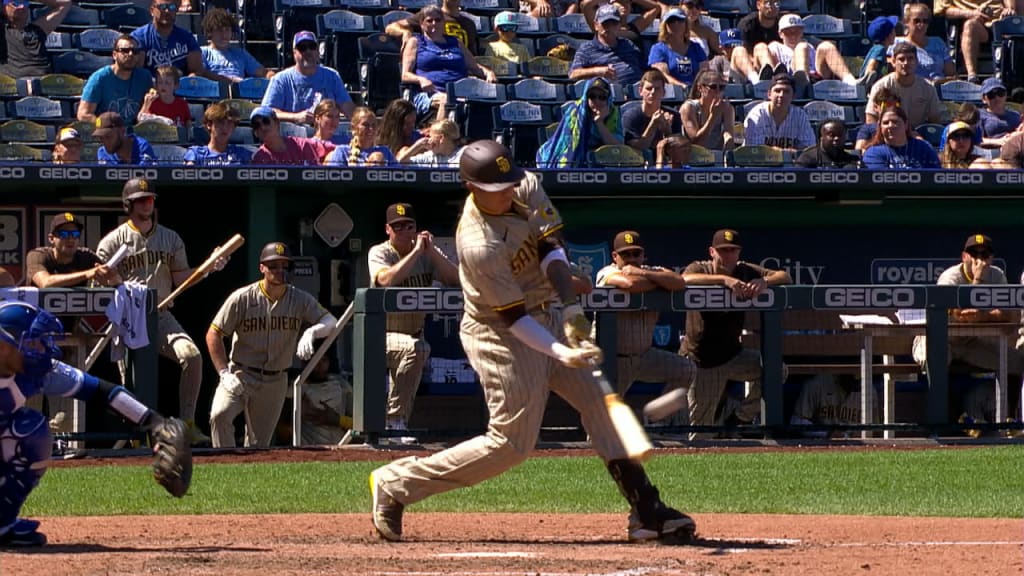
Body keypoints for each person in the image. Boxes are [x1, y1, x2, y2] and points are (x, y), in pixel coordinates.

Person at [369, 140, 696, 544]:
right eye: (497, 188)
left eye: (509, 182)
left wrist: (572, 311)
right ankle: (396, 482)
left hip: (548, 313)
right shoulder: (478, 245)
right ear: (472, 188)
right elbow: (514, 318)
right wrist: (561, 351)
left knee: (600, 402)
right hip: (499, 333)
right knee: (510, 445)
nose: (508, 191)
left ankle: (647, 511)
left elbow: (549, 249)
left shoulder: (522, 183)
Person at [0, 301, 190, 547]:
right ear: (4, 346)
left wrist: (154, 423)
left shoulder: (36, 370)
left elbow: (100, 391)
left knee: (33, 432)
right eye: (32, 342)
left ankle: (3, 524)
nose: (41, 348)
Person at [97, 178, 224, 445]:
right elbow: (100, 286)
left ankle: (187, 423)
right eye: (142, 199)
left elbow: (181, 279)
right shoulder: (112, 242)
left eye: (150, 199)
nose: (148, 203)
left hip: (161, 314)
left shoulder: (170, 238)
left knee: (192, 356)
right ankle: (136, 435)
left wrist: (209, 268)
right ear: (129, 204)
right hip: (128, 316)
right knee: (131, 383)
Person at [206, 242, 335, 448]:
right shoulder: (242, 298)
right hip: (241, 373)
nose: (280, 271)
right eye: (274, 266)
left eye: (285, 266)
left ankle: (246, 478)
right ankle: (224, 465)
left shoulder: (299, 299)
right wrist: (223, 373)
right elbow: (214, 333)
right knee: (220, 415)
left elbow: (331, 321)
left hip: (275, 380)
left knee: (258, 445)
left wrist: (312, 331)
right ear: (262, 268)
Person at [680, 229, 792, 440]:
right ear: (712, 252)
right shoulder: (701, 267)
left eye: (732, 250)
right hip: (702, 362)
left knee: (777, 370)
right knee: (701, 435)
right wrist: (724, 280)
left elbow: (785, 275)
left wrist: (765, 282)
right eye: (723, 250)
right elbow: (684, 279)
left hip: (733, 356)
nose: (728, 255)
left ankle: (738, 419)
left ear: (739, 251)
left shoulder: (744, 270)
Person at [25, 212, 122, 443]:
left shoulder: (86, 257)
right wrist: (88, 273)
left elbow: (116, 282)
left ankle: (65, 455)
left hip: (66, 343)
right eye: (64, 234)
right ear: (52, 238)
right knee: (29, 411)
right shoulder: (39, 256)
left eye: (75, 234)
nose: (71, 239)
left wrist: (109, 275)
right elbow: (45, 282)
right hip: (32, 344)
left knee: (65, 417)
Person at [367, 203, 459, 440]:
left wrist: (433, 252)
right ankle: (393, 421)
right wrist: (416, 252)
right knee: (417, 349)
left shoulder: (426, 254)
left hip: (413, 333)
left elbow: (455, 279)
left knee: (416, 348)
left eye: (409, 225)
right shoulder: (380, 252)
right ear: (388, 229)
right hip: (379, 333)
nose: (404, 231)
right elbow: (385, 280)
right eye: (398, 227)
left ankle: (396, 427)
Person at [911, 234, 1024, 424]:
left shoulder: (997, 275)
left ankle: (1009, 420)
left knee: (1015, 360)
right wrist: (978, 280)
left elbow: (1009, 314)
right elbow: (962, 314)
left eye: (984, 254)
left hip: (971, 342)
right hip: (940, 337)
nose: (979, 259)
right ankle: (943, 424)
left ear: (991, 258)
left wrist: (985, 316)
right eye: (974, 253)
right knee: (935, 359)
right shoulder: (951, 277)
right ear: (964, 256)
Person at [594, 230, 694, 419]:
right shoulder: (606, 271)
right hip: (614, 360)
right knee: (604, 419)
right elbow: (629, 284)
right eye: (625, 254)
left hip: (644, 356)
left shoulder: (649, 270)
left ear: (643, 254)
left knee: (686, 369)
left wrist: (643, 272)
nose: (631, 258)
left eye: (636, 253)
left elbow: (679, 282)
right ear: (615, 256)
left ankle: (655, 419)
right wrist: (658, 282)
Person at [401, 5, 496, 123]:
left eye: (438, 20)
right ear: (421, 23)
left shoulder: (455, 42)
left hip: (461, 92)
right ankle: (438, 135)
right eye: (429, 21)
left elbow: (474, 67)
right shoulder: (416, 42)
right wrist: (421, 80)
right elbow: (405, 75)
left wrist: (488, 73)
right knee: (446, 100)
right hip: (430, 94)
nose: (434, 23)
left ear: (443, 22)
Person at [262, 31, 354, 125]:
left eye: (312, 47)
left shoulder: (332, 76)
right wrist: (295, 117)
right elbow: (266, 112)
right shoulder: (281, 79)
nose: (308, 51)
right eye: (302, 48)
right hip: (292, 136)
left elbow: (348, 108)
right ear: (294, 53)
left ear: (318, 51)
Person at [131, 0, 228, 82]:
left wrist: (192, 77)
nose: (167, 11)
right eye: (162, 7)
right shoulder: (139, 37)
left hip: (181, 90)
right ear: (152, 10)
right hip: (152, 89)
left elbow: (197, 70)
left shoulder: (186, 37)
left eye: (172, 7)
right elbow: (138, 74)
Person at [865, 42, 950, 127]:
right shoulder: (881, 86)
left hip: (917, 135)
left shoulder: (928, 88)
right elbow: (871, 118)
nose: (906, 63)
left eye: (910, 59)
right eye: (901, 59)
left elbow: (935, 120)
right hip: (889, 132)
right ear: (893, 62)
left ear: (916, 61)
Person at [766, 14, 859, 87]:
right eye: (788, 32)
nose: (793, 35)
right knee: (801, 47)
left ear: (802, 31)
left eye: (797, 31)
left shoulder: (809, 46)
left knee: (826, 45)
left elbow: (818, 67)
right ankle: (801, 83)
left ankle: (851, 81)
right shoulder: (776, 47)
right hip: (788, 81)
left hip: (815, 79)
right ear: (780, 34)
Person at [77, 35, 153, 124]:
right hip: (108, 133)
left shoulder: (144, 77)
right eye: (125, 51)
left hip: (135, 133)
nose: (130, 54)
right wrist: (101, 123)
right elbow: (83, 114)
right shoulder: (100, 78)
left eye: (135, 52)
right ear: (114, 55)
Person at [569, 4, 644, 85]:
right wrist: (598, 71)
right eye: (605, 23)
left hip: (637, 92)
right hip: (606, 94)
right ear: (596, 25)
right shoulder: (586, 49)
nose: (609, 27)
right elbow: (573, 74)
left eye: (613, 23)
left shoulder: (628, 44)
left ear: (619, 25)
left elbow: (646, 69)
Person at [934, 0, 1006, 84]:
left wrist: (1010, 8)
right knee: (970, 26)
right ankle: (972, 77)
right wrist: (971, 13)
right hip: (972, 24)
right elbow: (943, 10)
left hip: (1000, 21)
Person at [742, 73, 815, 153]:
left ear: (793, 96)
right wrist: (789, 153)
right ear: (769, 94)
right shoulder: (757, 114)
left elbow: (809, 151)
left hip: (791, 165)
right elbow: (754, 151)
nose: (781, 95)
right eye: (777, 91)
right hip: (760, 165)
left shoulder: (800, 116)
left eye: (786, 91)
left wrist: (777, 152)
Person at [0, 0, 73, 77]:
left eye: (24, 2)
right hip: (14, 85)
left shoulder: (37, 30)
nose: (22, 6)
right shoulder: (3, 31)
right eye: (15, 3)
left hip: (44, 83)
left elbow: (65, 3)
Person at [790, 374, 878, 438]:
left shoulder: (869, 389)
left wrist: (864, 432)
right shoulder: (816, 384)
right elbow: (796, 421)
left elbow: (876, 429)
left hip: (856, 447)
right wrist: (827, 433)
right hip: (823, 444)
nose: (857, 385)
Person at [200, 8, 273, 82]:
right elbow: (202, 73)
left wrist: (272, 76)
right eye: (219, 30)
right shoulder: (202, 52)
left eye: (227, 29)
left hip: (239, 92)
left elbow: (263, 72)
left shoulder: (241, 54)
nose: (224, 34)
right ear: (210, 32)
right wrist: (231, 81)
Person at [386, 0, 481, 56]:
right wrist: (405, 33)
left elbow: (473, 55)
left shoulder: (469, 24)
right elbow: (391, 27)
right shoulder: (431, 16)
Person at [299, 345, 352, 445]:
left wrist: (338, 420)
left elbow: (362, 425)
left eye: (324, 360)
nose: (320, 366)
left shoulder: (341, 384)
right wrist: (297, 414)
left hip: (340, 449)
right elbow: (280, 432)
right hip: (308, 451)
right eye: (315, 361)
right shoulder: (297, 388)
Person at [890, 3, 955, 83]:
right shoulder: (896, 43)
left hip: (939, 89)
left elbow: (951, 74)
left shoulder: (938, 42)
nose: (921, 25)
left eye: (925, 21)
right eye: (916, 21)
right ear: (906, 22)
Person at [623, 70, 682, 156]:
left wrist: (668, 132)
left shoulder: (673, 115)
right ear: (640, 91)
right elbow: (636, 148)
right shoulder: (630, 116)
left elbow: (678, 151)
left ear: (664, 92)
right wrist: (653, 125)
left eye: (657, 89)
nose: (653, 92)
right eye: (649, 88)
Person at [862, 106, 941, 169]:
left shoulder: (924, 148)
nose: (890, 126)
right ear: (880, 127)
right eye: (885, 123)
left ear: (906, 124)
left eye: (895, 122)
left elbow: (935, 176)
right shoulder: (873, 153)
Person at [249, 106, 331, 165]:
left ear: (277, 123)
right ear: (255, 132)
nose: (262, 127)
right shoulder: (259, 158)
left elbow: (336, 149)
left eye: (266, 121)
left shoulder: (300, 144)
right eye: (257, 125)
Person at [647, 9, 707, 87]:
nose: (676, 23)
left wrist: (695, 89)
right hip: (672, 92)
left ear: (686, 25)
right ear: (665, 26)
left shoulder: (696, 47)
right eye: (671, 21)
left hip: (696, 90)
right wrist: (682, 86)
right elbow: (662, 75)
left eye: (680, 20)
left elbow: (705, 72)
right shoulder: (658, 49)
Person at [680, 69, 736, 150]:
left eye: (721, 87)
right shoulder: (689, 108)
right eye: (713, 87)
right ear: (700, 88)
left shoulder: (726, 108)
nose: (718, 91)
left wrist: (729, 146)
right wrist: (713, 116)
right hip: (693, 157)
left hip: (717, 157)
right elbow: (696, 142)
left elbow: (728, 133)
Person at [183, 101, 253, 165]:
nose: (225, 128)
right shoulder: (195, 154)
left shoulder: (242, 154)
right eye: (221, 123)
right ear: (209, 125)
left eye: (229, 124)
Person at [324, 106, 397, 166]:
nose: (371, 129)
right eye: (366, 125)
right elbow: (334, 180)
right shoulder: (342, 152)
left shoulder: (385, 151)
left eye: (374, 125)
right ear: (353, 128)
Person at [732, 0, 782, 85]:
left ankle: (772, 80)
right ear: (758, 5)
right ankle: (757, 82)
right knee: (753, 48)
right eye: (768, 3)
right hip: (747, 67)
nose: (772, 6)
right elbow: (743, 53)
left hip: (774, 63)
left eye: (776, 3)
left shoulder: (781, 23)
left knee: (764, 48)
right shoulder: (747, 24)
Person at [93, 111, 159, 165]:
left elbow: (146, 179)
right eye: (101, 138)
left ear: (122, 131)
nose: (105, 142)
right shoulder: (103, 152)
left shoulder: (141, 147)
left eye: (108, 136)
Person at [794, 120, 861, 168]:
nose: (836, 138)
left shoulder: (853, 160)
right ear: (821, 137)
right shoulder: (808, 158)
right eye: (832, 135)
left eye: (840, 135)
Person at [583, 77, 624, 151]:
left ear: (608, 99)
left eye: (602, 97)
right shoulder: (576, 114)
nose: (597, 101)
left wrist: (599, 123)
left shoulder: (614, 114)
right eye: (592, 96)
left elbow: (618, 146)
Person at [400, 118, 465, 166]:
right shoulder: (431, 156)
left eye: (431, 137)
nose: (429, 140)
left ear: (441, 138)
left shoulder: (465, 153)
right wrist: (417, 146)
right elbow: (400, 164)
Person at [979, 77, 1022, 146]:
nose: (997, 98)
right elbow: (975, 139)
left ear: (1005, 95)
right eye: (991, 95)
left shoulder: (1015, 115)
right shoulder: (979, 115)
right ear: (984, 99)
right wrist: (998, 141)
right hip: (991, 151)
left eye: (1000, 93)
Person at [855, 87, 901, 152]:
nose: (890, 108)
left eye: (895, 105)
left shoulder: (902, 124)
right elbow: (859, 149)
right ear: (875, 107)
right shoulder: (867, 128)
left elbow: (917, 139)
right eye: (885, 105)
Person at [861, 15, 898, 87]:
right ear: (888, 36)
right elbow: (872, 64)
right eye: (893, 31)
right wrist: (868, 79)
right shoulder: (880, 49)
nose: (895, 34)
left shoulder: (876, 48)